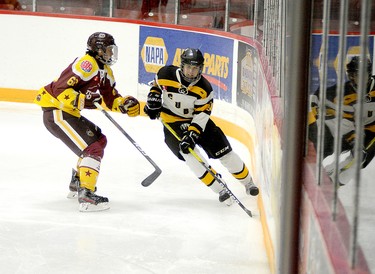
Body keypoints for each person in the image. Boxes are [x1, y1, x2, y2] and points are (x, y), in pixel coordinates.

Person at [34, 32, 140, 212]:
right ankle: (87, 194)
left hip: (67, 113)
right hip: (56, 111)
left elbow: (110, 98)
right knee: (93, 149)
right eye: (107, 50)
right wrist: (86, 101)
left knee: (99, 140)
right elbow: (61, 88)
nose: (111, 54)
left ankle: (78, 182)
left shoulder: (106, 71)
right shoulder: (87, 63)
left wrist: (123, 104)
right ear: (98, 50)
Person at [143, 48, 259, 205]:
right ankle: (220, 188)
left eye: (196, 68)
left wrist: (192, 135)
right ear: (182, 66)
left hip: (197, 122)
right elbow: (156, 85)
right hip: (172, 122)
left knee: (224, 152)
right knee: (189, 154)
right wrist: (153, 99)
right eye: (189, 67)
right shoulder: (165, 74)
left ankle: (248, 182)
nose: (191, 72)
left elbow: (201, 116)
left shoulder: (204, 88)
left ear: (201, 68)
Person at [308, 56, 375, 185]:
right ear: (350, 75)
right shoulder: (341, 92)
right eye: (356, 74)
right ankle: (308, 175)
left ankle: (330, 184)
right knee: (318, 147)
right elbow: (316, 101)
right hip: (346, 130)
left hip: (371, 131)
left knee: (359, 159)